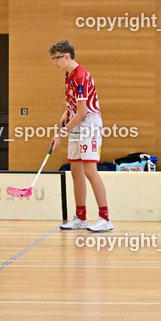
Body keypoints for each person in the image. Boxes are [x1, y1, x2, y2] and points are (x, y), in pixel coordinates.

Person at [50, 39, 112, 232]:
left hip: (89, 126)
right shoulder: (68, 75)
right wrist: (65, 113)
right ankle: (81, 218)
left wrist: (61, 133)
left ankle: (105, 218)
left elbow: (83, 111)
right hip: (76, 123)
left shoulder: (80, 76)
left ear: (66, 56)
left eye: (55, 59)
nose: (54, 63)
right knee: (76, 171)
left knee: (90, 171)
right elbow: (74, 106)